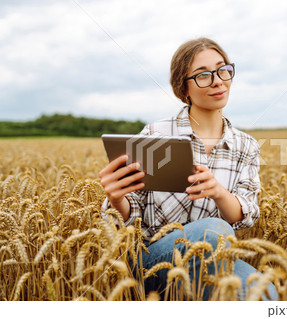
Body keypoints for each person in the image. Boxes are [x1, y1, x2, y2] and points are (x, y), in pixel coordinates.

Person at [99, 37, 277, 300]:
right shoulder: (156, 134)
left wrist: (219, 192)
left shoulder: (245, 145)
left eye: (223, 69)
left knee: (265, 293)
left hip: (214, 257)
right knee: (213, 231)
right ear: (183, 88)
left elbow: (246, 214)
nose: (218, 80)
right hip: (153, 260)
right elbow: (131, 213)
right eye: (203, 75)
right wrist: (116, 197)